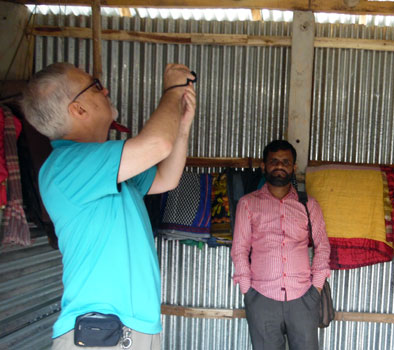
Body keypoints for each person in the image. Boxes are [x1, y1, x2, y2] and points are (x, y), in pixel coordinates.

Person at [20, 62, 196, 349]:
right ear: (78, 109)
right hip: (102, 331)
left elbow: (166, 178)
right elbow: (157, 146)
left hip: (127, 328)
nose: (106, 90)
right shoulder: (67, 166)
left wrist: (183, 126)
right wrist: (173, 91)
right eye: (95, 85)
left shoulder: (108, 168)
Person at [231, 140, 331, 350]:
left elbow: (322, 245)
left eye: (286, 162)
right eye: (273, 161)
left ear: (293, 167)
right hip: (261, 297)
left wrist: (316, 289)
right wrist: (248, 291)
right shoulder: (248, 203)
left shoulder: (308, 204)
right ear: (264, 166)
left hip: (303, 297)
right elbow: (240, 249)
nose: (279, 166)